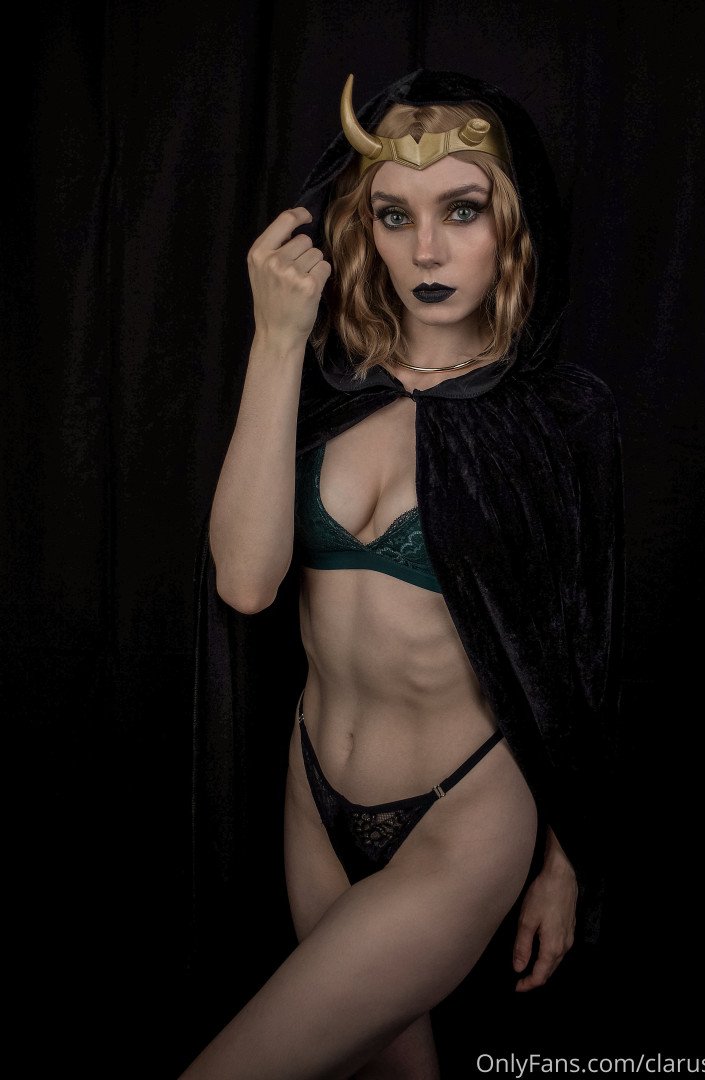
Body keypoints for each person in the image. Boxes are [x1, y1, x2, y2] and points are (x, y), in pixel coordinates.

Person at [184, 69, 624, 1080]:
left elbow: (586, 647)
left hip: (463, 816)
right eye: (395, 216)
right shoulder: (322, 391)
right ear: (362, 228)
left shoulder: (561, 418)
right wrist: (277, 341)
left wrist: (566, 863)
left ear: (510, 222)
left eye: (461, 211)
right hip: (312, 799)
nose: (426, 250)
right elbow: (245, 584)